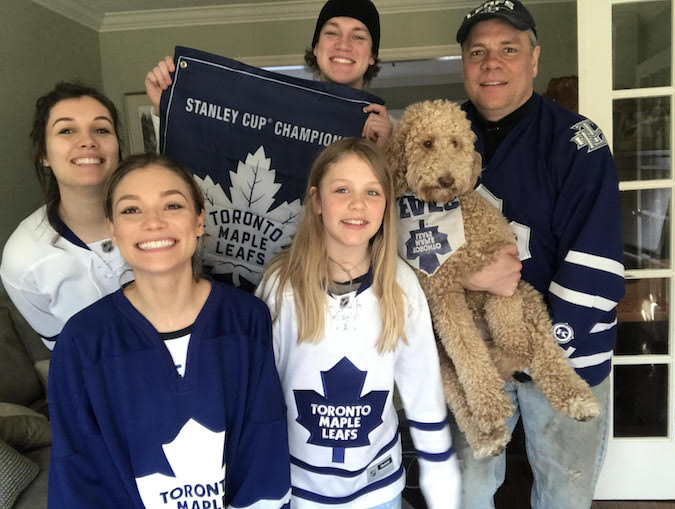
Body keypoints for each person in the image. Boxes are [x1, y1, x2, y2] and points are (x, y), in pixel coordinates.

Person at [454, 1, 626, 508]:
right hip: (476, 353)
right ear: (464, 63)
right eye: (478, 51)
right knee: (464, 488)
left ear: (534, 59)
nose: (492, 63)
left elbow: (596, 266)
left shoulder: (578, 142)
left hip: (567, 353)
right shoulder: (442, 136)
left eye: (508, 49)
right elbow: (412, 238)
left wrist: (531, 349)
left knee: (565, 491)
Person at [48, 153, 291, 508]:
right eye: (132, 210)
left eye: (172, 205)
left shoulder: (246, 321)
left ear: (198, 221)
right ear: (114, 229)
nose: (154, 223)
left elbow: (263, 449)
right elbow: (79, 474)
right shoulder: (84, 342)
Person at [256, 137, 461, 509]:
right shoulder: (281, 285)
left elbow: (421, 384)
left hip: (377, 486)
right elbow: (257, 392)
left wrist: (439, 468)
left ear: (386, 206)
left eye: (372, 192)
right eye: (342, 190)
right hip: (298, 487)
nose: (357, 204)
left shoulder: (400, 284)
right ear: (316, 201)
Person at [144, 0, 393, 148]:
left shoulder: (393, 132)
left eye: (358, 36)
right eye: (331, 32)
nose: (343, 44)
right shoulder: (278, 113)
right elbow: (213, 150)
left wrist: (387, 149)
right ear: (316, 48)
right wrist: (166, 106)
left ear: (372, 55)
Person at [0, 82, 131, 350]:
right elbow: (66, 354)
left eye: (101, 129)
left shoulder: (166, 220)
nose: (88, 141)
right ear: (44, 154)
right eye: (67, 130)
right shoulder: (23, 259)